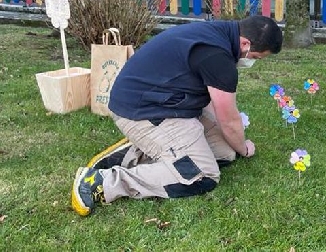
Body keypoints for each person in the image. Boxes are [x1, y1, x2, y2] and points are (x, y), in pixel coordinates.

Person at [71, 15, 283, 216]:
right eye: (255, 57)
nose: (251, 61)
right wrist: (244, 148)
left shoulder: (218, 32)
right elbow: (228, 121)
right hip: (144, 111)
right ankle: (100, 181)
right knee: (202, 175)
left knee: (225, 153)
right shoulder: (218, 57)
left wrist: (235, 147)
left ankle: (132, 153)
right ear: (245, 44)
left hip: (165, 103)